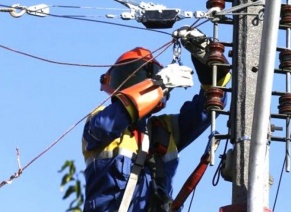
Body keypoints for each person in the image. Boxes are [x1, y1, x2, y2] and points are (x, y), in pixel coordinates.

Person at [81, 27, 231, 212]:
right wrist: (156, 86)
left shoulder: (164, 130)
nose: (138, 82)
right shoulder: (99, 119)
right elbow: (107, 125)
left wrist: (207, 62)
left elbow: (209, 107)